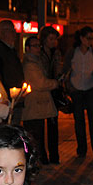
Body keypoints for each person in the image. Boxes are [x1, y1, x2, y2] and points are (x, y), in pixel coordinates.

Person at [63, 26, 93, 158]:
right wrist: (69, 86)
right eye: (88, 38)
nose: (90, 41)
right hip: (76, 90)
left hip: (91, 88)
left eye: (92, 38)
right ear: (81, 38)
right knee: (79, 121)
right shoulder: (73, 52)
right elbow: (66, 70)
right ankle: (81, 149)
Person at [22, 36, 59, 165]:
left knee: (39, 134)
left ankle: (42, 160)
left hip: (39, 104)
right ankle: (38, 160)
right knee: (35, 135)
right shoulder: (30, 64)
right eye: (35, 46)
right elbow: (40, 83)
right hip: (34, 105)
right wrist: (55, 83)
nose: (38, 48)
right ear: (28, 48)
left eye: (39, 45)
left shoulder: (37, 61)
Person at [0, 20, 25, 124]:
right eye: (11, 30)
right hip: (9, 98)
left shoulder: (11, 50)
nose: (15, 33)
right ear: (2, 33)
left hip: (16, 97)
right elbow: (2, 75)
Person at [39, 26, 63, 164]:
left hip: (54, 89)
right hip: (44, 89)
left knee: (53, 123)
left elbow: (58, 69)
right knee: (41, 125)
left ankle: (54, 156)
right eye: (51, 39)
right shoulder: (40, 53)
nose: (54, 42)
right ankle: (43, 156)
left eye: (55, 39)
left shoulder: (56, 53)